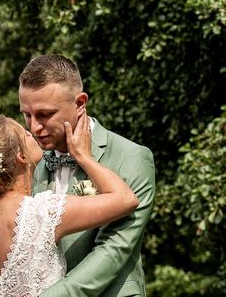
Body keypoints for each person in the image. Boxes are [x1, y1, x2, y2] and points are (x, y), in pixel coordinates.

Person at [0, 114, 138, 297]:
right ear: (22, 156)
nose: (32, 132)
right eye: (26, 133)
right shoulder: (43, 212)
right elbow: (126, 199)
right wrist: (83, 156)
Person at [19, 54, 156, 296]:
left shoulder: (132, 157)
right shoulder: (27, 162)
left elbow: (114, 249)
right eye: (26, 114)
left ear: (80, 103)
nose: (33, 127)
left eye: (44, 115)